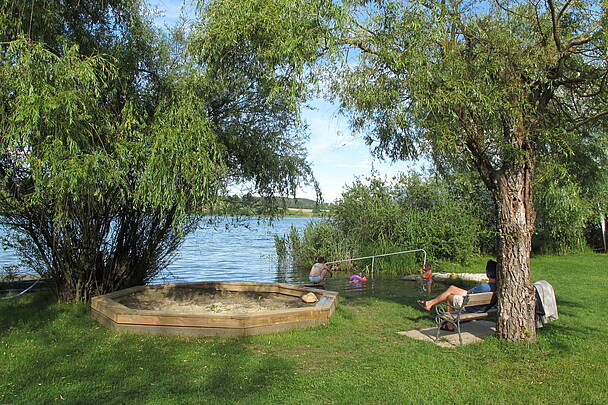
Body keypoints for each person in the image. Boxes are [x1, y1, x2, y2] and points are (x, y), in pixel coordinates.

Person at [417, 260, 497, 313]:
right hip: (484, 308)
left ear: (487, 274)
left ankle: (449, 324)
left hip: (471, 308)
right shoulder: (498, 287)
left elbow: (468, 293)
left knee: (449, 296)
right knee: (452, 289)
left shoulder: (483, 286)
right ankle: (429, 303)